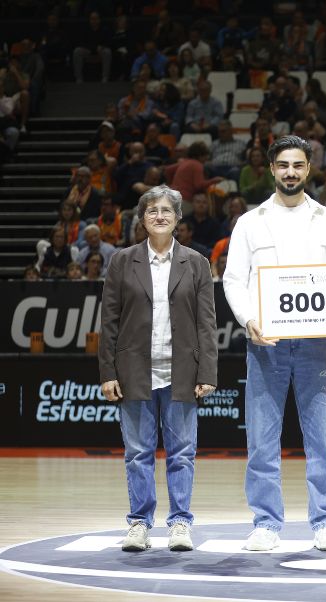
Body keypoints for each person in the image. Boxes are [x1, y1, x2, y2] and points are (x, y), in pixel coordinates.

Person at [223, 136, 326, 552]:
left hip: (315, 344)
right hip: (266, 343)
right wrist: (249, 320)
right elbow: (233, 280)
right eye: (283, 165)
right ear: (272, 169)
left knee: (320, 438)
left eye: (297, 165)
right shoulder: (250, 221)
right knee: (262, 439)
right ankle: (265, 523)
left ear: (308, 168)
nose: (290, 172)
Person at [99, 185, 217, 552]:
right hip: (134, 372)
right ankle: (139, 523)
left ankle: (180, 523)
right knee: (138, 454)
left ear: (178, 218)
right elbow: (109, 322)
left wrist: (207, 373)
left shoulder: (196, 263)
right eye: (152, 211)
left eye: (167, 210)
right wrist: (108, 372)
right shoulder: (122, 261)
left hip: (182, 373)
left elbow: (206, 324)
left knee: (182, 453)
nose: (160, 216)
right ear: (142, 219)